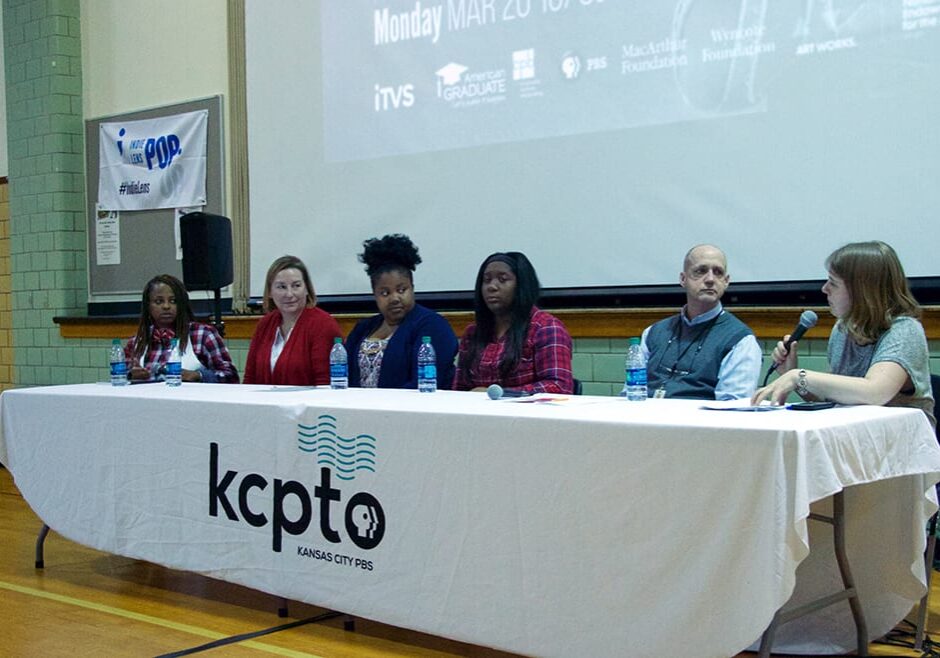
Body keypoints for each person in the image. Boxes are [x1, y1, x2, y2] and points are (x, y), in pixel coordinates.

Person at [753, 241, 935, 426]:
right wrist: (795, 377)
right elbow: (832, 403)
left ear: (862, 291)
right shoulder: (843, 328)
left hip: (899, 445)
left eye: (833, 283)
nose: (824, 289)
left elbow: (876, 392)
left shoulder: (905, 330)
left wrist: (799, 376)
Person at [624, 244, 762, 399]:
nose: (710, 279)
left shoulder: (741, 341)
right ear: (683, 279)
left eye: (718, 273)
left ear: (726, 281)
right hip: (643, 420)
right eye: (700, 271)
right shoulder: (654, 332)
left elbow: (731, 409)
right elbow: (630, 393)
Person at [345, 234, 458, 388]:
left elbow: (423, 385)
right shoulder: (363, 328)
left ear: (412, 288)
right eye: (385, 293)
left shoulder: (433, 326)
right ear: (374, 294)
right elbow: (343, 378)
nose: (394, 298)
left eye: (401, 290)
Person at [454, 252, 573, 394]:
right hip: (478, 414)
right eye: (486, 280)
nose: (492, 287)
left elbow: (559, 387)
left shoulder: (546, 328)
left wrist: (500, 394)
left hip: (528, 414)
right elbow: (459, 389)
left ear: (522, 286)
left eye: (502, 280)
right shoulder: (472, 333)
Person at [243, 255, 342, 386]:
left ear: (307, 289)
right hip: (265, 405)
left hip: (309, 405)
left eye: (296, 286)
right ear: (270, 292)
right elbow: (250, 378)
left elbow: (326, 384)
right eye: (281, 287)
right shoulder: (265, 324)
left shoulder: (323, 325)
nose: (289, 294)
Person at [125, 274, 239, 383]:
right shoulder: (136, 342)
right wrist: (130, 376)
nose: (166, 306)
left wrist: (199, 375)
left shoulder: (203, 335)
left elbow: (231, 377)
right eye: (158, 301)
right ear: (148, 306)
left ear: (182, 304)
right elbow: (117, 380)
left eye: (173, 301)